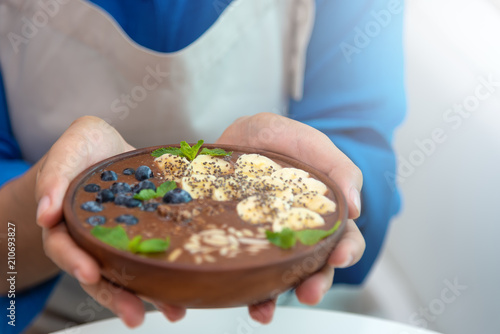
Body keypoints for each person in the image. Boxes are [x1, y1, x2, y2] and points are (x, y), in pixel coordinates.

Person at [0, 0, 405, 333]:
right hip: (56, 315)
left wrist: (322, 184)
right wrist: (46, 198)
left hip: (272, 309)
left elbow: (364, 160)